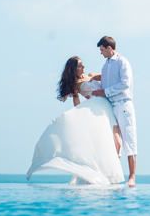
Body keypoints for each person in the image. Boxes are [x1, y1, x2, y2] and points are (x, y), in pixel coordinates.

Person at [26, 56, 124, 185]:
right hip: (96, 109)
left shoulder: (91, 75)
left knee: (117, 142)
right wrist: (79, 116)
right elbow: (77, 102)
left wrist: (99, 76)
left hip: (107, 107)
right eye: (80, 65)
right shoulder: (75, 85)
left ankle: (110, 174)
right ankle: (108, 175)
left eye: (83, 64)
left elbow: (108, 78)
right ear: (73, 69)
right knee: (112, 142)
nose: (83, 67)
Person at [91, 36, 137, 187]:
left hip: (123, 105)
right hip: (110, 107)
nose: (101, 53)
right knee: (113, 142)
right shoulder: (105, 66)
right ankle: (114, 174)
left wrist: (105, 92)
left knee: (129, 141)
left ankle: (132, 176)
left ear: (109, 48)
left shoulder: (122, 62)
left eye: (102, 49)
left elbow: (125, 84)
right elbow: (103, 83)